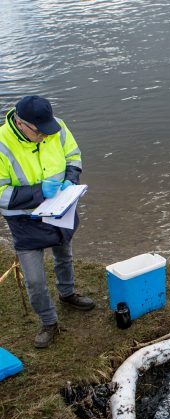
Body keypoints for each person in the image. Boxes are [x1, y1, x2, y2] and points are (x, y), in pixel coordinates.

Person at [0, 95, 94, 348]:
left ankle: (67, 294)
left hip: (61, 208)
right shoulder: (1, 144)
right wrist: (39, 192)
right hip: (25, 221)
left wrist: (70, 181)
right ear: (21, 124)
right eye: (39, 132)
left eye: (47, 131)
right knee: (34, 280)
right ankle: (49, 321)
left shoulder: (57, 127)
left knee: (65, 255)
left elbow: (73, 155)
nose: (44, 136)